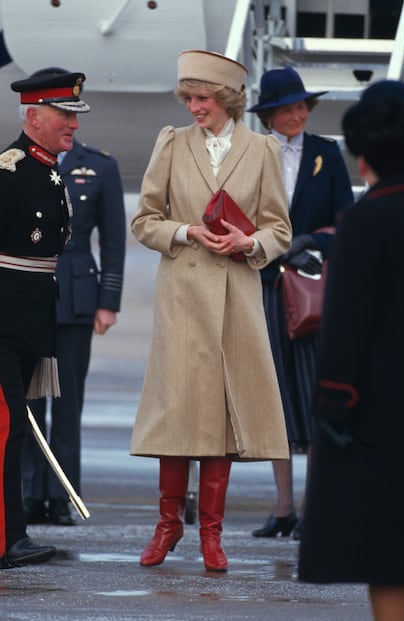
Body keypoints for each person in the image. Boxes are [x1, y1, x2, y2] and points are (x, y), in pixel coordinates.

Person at [129, 49, 292, 572]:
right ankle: (168, 524)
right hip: (182, 296)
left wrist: (249, 242)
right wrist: (184, 231)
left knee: (222, 420)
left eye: (202, 99)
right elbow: (145, 219)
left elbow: (279, 230)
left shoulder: (262, 149)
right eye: (189, 98)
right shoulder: (172, 144)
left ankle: (212, 536)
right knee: (178, 413)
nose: (194, 107)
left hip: (236, 302)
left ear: (227, 100)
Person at [298, 79, 404, 621]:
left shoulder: (367, 221)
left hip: (383, 418)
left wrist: (331, 405)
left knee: (390, 559)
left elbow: (345, 327)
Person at [246, 66, 353, 540]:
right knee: (275, 398)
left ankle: (317, 506)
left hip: (309, 288)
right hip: (265, 285)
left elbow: (345, 220)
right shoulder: (250, 155)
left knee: (312, 396)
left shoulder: (326, 155)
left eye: (300, 107)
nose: (296, 115)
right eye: (286, 109)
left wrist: (310, 240)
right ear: (268, 115)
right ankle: (284, 506)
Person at [0, 67, 90, 567]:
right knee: (5, 426)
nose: (73, 125)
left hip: (29, 322)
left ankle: (13, 534)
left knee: (11, 430)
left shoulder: (48, 171)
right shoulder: (8, 171)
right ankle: (5, 539)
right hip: (3, 323)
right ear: (34, 116)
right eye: (64, 114)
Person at [22, 113, 126, 526]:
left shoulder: (100, 165)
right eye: (64, 116)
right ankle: (29, 493)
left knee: (68, 405)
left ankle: (62, 495)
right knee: (29, 402)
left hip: (78, 298)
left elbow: (114, 238)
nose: (71, 124)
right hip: (28, 297)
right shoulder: (15, 163)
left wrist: (109, 301)